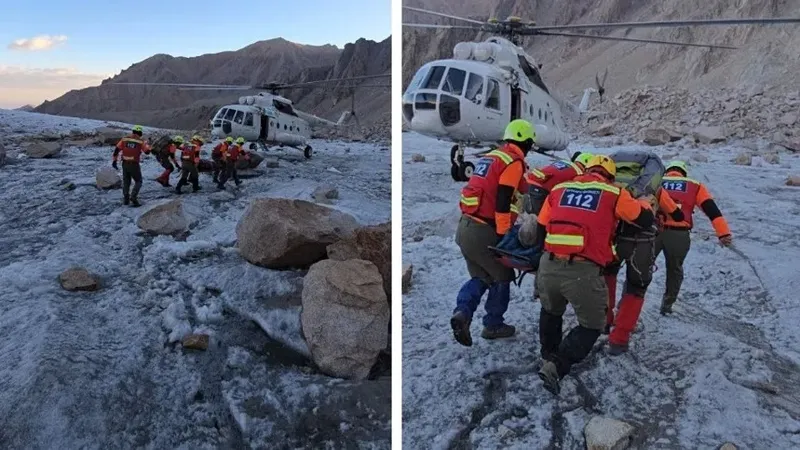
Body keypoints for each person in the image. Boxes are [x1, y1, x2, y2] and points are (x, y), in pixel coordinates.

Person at [534, 155, 655, 395]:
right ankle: (557, 365)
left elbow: (540, 226)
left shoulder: (560, 189)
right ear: (610, 176)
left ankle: (548, 354)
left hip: (548, 264)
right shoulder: (613, 192)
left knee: (551, 312)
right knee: (592, 325)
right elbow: (643, 219)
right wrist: (644, 202)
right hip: (582, 271)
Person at [450, 119, 535, 346]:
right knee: (503, 276)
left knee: (482, 277)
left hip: (465, 227)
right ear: (526, 142)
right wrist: (504, 235)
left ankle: (462, 312)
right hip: (483, 231)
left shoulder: (493, 157)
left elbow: (501, 187)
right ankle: (493, 325)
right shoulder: (513, 162)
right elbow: (503, 199)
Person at [604, 150, 683, 355]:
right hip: (642, 241)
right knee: (637, 287)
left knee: (607, 276)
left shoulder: (611, 185)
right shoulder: (652, 188)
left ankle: (604, 322)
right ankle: (619, 339)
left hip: (612, 238)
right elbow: (675, 212)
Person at [656, 160, 732, 314]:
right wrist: (723, 233)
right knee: (675, 271)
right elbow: (712, 210)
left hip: (653, 232)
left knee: (640, 268)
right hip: (679, 235)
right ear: (683, 173)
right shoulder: (694, 185)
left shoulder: (656, 182)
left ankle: (630, 305)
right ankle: (667, 306)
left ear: (667, 171)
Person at [524, 151, 593, 215]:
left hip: (531, 183)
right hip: (542, 191)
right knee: (540, 218)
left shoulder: (563, 162)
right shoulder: (578, 174)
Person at [112, 125, 151, 207]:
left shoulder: (124, 139)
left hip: (125, 163)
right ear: (140, 132)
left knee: (126, 181)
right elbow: (147, 152)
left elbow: (116, 150)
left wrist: (114, 161)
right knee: (138, 181)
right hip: (134, 164)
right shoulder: (140, 141)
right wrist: (149, 146)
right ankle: (133, 197)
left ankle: (126, 199)